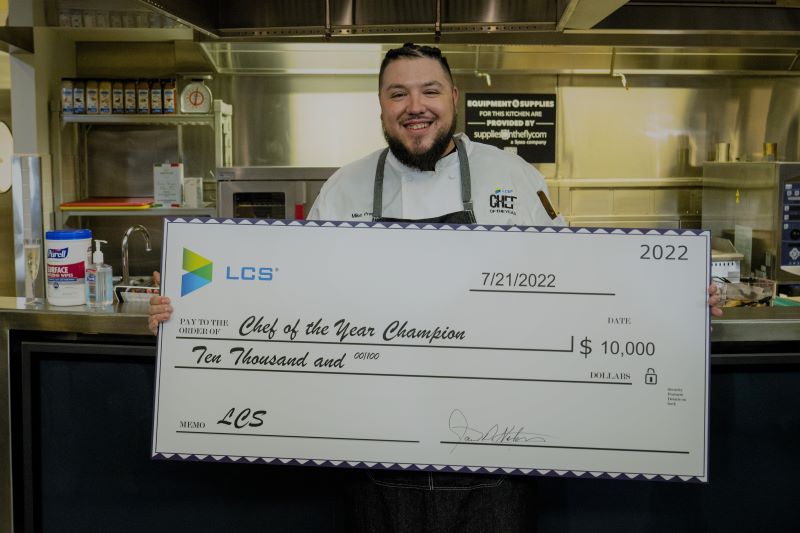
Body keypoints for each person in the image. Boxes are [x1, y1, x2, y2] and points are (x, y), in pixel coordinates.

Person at [149, 43, 723, 532]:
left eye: (429, 91)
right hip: (373, 456)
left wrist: (668, 298)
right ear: (380, 106)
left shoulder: (513, 178)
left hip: (498, 457)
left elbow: (585, 285)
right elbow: (290, 295)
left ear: (454, 99)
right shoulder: (344, 189)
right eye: (398, 94)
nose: (414, 106)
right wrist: (192, 307)